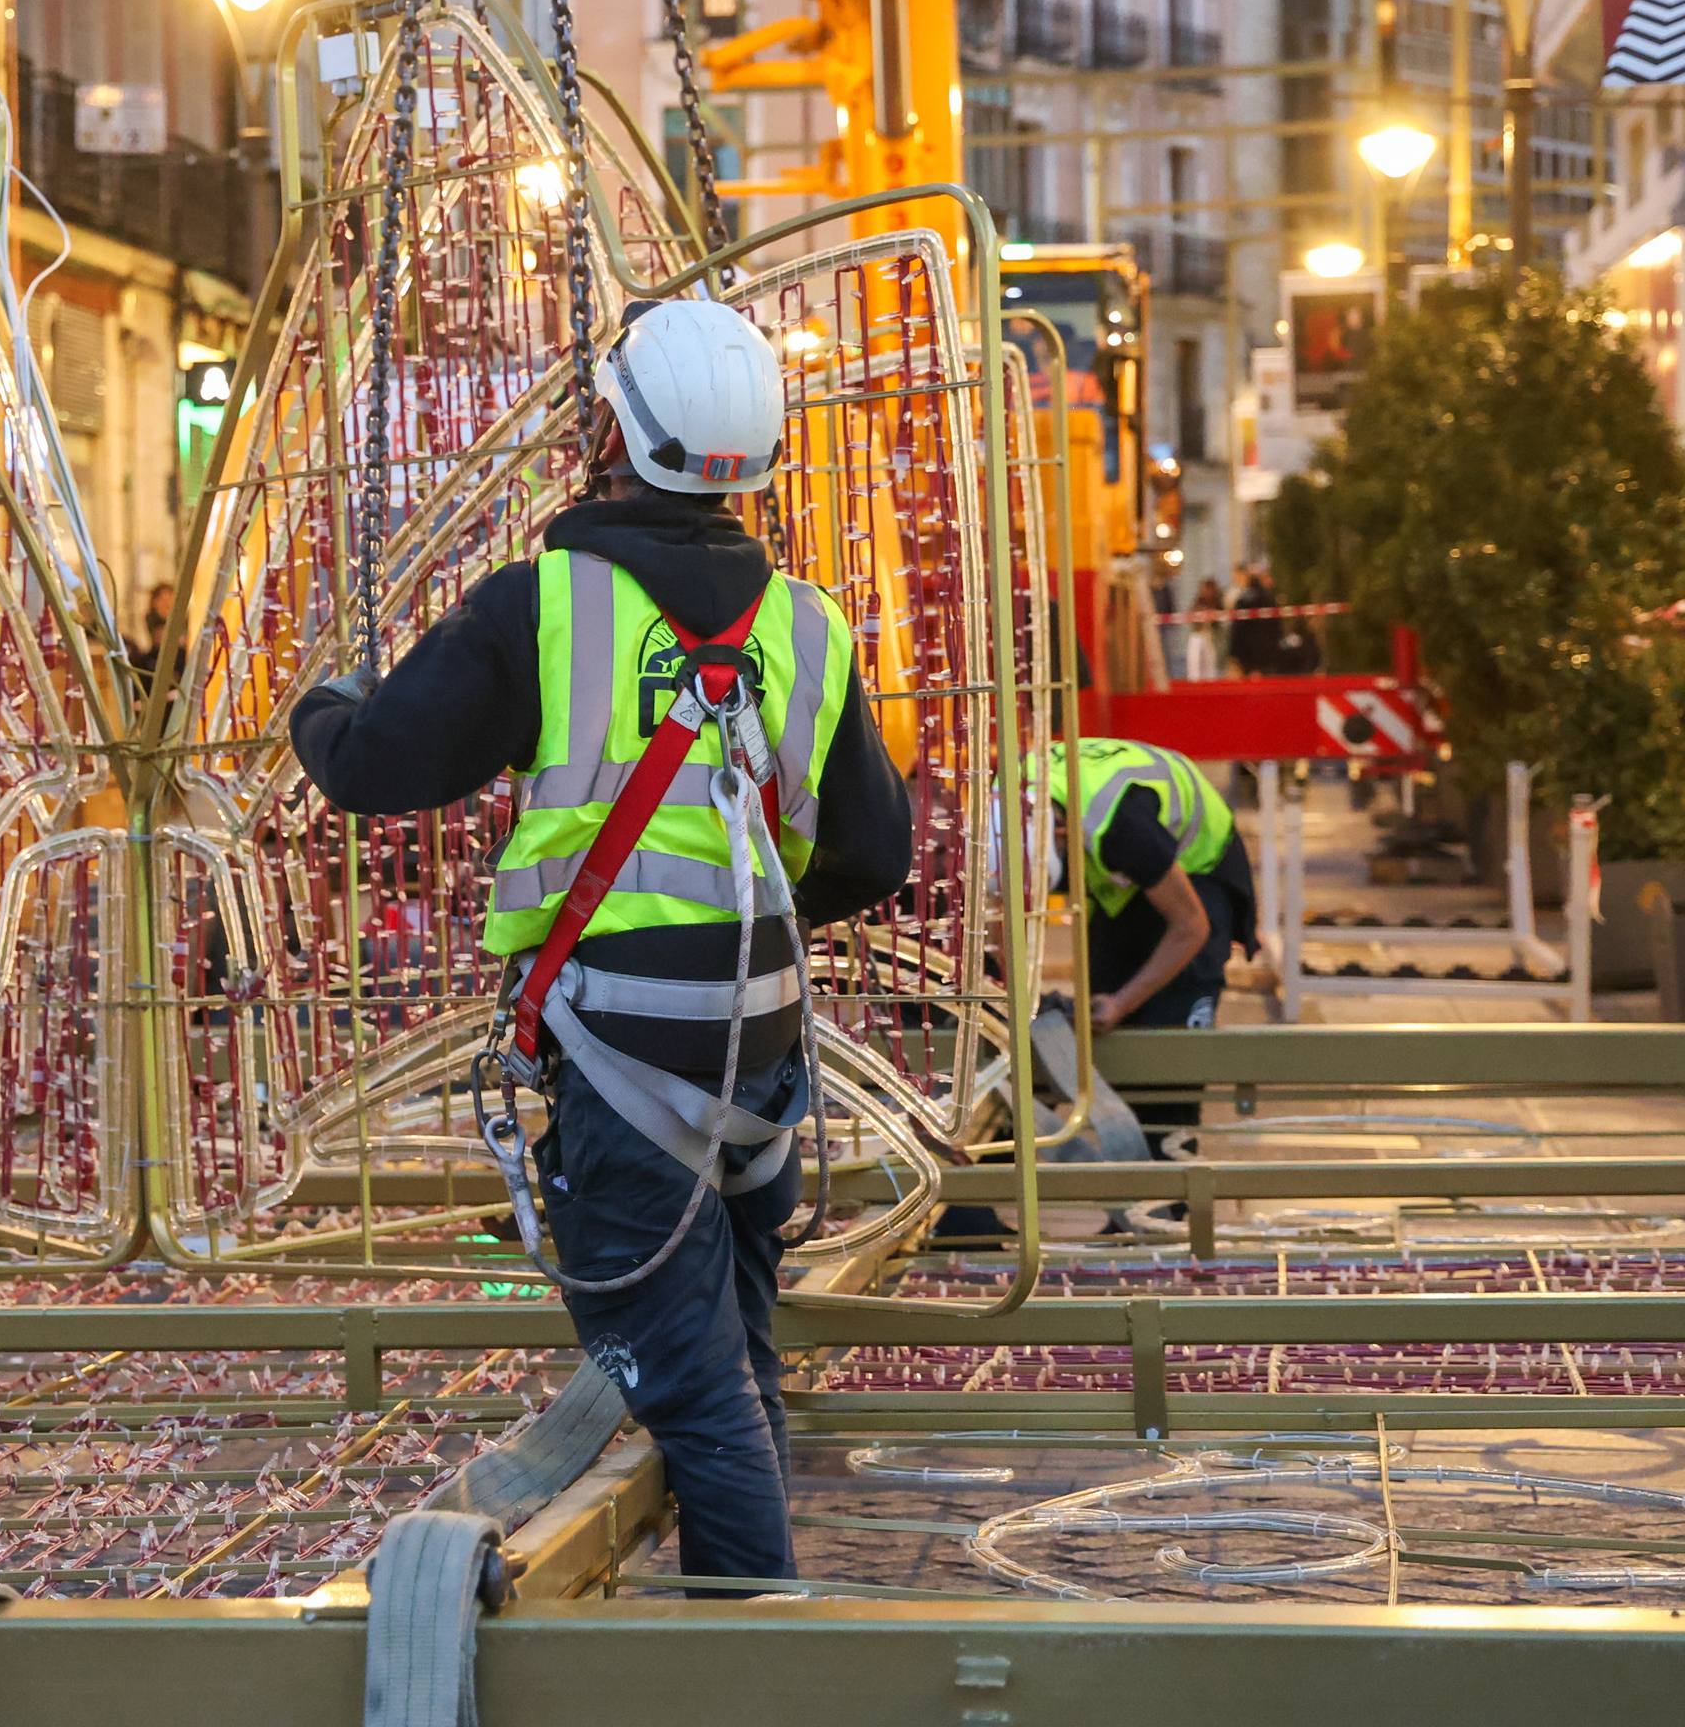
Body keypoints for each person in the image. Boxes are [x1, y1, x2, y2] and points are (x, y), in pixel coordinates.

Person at [291, 296, 912, 1592]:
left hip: (624, 1037)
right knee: (734, 1340)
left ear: (604, 434)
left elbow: (371, 767)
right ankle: (751, 1609)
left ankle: (753, 1650)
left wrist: (324, 707)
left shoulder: (546, 606)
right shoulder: (806, 624)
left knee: (676, 1371)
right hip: (763, 1035)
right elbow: (873, 853)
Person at [1040, 736, 1260, 1153]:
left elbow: (1191, 927)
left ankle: (1172, 1207)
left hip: (1196, 871)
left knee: (1167, 1055)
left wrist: (1123, 1002)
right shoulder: (998, 805)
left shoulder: (1119, 825)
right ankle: (1130, 1194)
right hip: (1116, 872)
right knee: (1105, 1039)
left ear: (1062, 832)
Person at [1182, 578, 1224, 684]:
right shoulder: (1198, 601)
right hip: (1197, 633)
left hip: (1210, 634)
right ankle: (1194, 681)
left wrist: (1213, 616)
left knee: (1210, 660)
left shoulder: (1217, 602)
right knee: (1194, 659)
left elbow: (1221, 617)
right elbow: (1190, 614)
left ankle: (1211, 681)